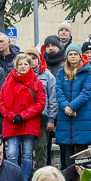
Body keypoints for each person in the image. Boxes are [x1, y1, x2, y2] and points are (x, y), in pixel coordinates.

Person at [0, 52, 47, 181]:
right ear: (16, 66)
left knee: (27, 154)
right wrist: (12, 116)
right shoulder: (8, 81)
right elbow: (1, 102)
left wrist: (23, 115)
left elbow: (41, 103)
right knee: (12, 154)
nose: (23, 66)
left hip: (29, 124)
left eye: (26, 64)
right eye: (20, 64)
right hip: (12, 123)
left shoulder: (37, 82)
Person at [53, 43, 91, 169]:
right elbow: (58, 92)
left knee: (82, 153)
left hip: (82, 116)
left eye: (75, 54)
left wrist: (72, 107)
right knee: (67, 153)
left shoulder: (87, 72)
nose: (72, 57)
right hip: (65, 117)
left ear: (80, 56)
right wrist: (66, 107)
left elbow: (87, 92)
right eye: (70, 54)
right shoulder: (61, 72)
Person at [28, 46, 58, 174]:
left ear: (39, 59)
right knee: (26, 150)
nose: (31, 62)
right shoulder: (19, 75)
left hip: (42, 119)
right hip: (25, 119)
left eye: (34, 58)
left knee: (41, 149)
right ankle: (26, 175)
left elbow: (53, 99)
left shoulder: (48, 76)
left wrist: (51, 119)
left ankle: (40, 173)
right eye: (29, 59)